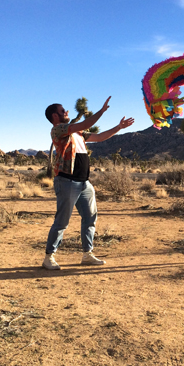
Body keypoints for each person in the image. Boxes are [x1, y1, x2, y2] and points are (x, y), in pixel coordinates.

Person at [42, 97, 134, 270]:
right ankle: (49, 257)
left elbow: (99, 137)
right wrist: (101, 111)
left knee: (90, 218)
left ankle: (87, 254)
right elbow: (84, 124)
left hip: (84, 183)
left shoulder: (76, 134)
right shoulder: (59, 130)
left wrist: (119, 127)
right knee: (62, 222)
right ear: (55, 116)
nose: (67, 112)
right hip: (67, 181)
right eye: (63, 111)